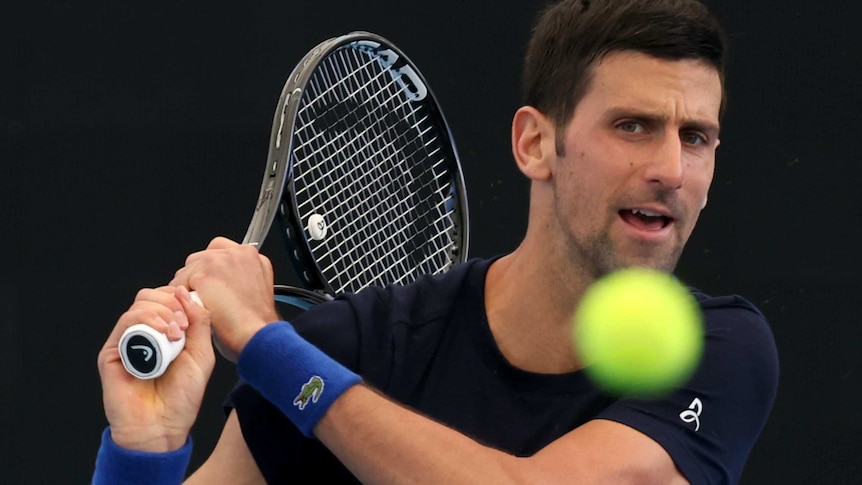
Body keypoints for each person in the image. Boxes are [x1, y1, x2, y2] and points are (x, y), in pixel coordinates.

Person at [93, 0, 779, 483]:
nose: (671, 169)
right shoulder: (356, 343)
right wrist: (143, 450)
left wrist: (269, 346)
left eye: (697, 137)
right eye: (633, 125)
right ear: (536, 143)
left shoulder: (721, 352)